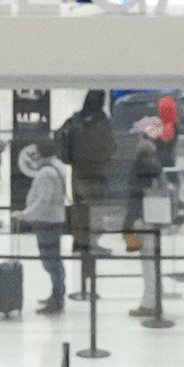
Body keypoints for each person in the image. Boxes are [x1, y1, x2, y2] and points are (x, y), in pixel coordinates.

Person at [58, 89, 116, 261]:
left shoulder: (75, 119)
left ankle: (79, 244)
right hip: (97, 175)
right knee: (96, 211)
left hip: (77, 174)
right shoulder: (101, 121)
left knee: (79, 208)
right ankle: (92, 244)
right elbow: (111, 147)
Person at [14, 136, 69, 315]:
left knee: (50, 261)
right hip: (54, 219)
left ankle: (57, 298)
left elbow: (43, 200)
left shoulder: (46, 172)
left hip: (47, 221)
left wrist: (24, 215)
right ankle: (57, 294)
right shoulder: (58, 166)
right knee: (55, 260)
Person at [124, 113, 166, 318]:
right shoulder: (158, 168)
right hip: (156, 219)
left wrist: (128, 223)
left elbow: (134, 199)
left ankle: (149, 303)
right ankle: (157, 298)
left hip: (142, 219)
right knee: (154, 262)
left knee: (147, 263)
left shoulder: (137, 171)